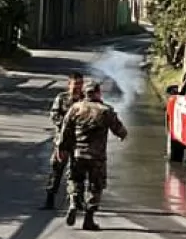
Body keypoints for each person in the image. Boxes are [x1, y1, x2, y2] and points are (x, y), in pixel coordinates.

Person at [56, 81, 128, 230]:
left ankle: (74, 203)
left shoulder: (75, 108)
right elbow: (119, 129)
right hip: (97, 157)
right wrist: (122, 135)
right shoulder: (105, 110)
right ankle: (88, 219)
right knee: (96, 187)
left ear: (85, 93)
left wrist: (61, 148)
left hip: (78, 154)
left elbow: (65, 130)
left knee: (75, 180)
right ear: (98, 93)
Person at [43, 72, 85, 210]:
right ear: (69, 84)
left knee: (77, 171)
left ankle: (77, 200)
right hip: (62, 141)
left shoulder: (85, 100)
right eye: (75, 83)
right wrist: (66, 125)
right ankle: (50, 199)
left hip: (79, 142)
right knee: (56, 169)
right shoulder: (61, 98)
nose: (78, 87)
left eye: (80, 83)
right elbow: (54, 115)